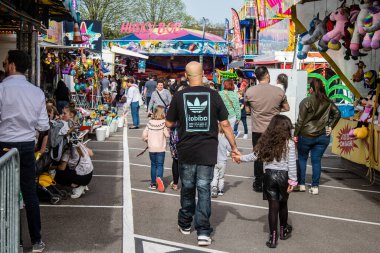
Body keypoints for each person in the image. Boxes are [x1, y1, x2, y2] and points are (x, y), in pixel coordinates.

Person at [166, 61, 239, 246]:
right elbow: (225, 124)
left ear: (186, 74)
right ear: (203, 74)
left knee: (188, 188)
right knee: (204, 189)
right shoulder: (213, 95)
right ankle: (203, 231)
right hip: (207, 150)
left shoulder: (179, 96)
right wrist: (234, 147)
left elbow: (168, 123)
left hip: (186, 150)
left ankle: (185, 223)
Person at [0, 50, 49, 252]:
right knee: (29, 193)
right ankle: (36, 241)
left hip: (4, 146)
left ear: (11, 65)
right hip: (27, 146)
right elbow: (44, 125)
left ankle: (15, 241)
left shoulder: (2, 89)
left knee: (7, 194)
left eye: (5, 62)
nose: (3, 65)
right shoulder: (36, 92)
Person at [233, 115, 297, 249]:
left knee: (272, 208)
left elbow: (254, 156)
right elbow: (292, 164)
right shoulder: (289, 143)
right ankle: (283, 230)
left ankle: (273, 238)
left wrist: (240, 158)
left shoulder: (266, 141)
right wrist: (293, 181)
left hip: (269, 176)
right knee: (283, 205)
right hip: (283, 176)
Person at [245, 66, 290, 193]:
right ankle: (275, 180)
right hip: (274, 128)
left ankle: (258, 182)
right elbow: (287, 108)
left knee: (257, 156)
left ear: (257, 77)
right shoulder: (279, 92)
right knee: (276, 154)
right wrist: (275, 109)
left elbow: (247, 110)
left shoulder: (249, 91)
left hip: (258, 128)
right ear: (267, 75)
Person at [294, 78, 341, 194]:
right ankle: (315, 187)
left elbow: (300, 121)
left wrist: (295, 134)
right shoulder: (328, 101)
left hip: (306, 134)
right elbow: (338, 113)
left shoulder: (306, 101)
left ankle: (301, 184)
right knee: (316, 161)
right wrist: (330, 126)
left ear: (311, 89)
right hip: (323, 136)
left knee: (302, 159)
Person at [142, 105, 169, 192]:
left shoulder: (150, 123)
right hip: (161, 148)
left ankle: (153, 183)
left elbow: (144, 135)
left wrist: (147, 140)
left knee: (153, 165)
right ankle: (159, 179)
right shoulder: (163, 123)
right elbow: (167, 135)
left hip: (152, 148)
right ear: (162, 113)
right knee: (160, 165)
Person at [211, 124, 231, 198]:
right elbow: (229, 148)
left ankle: (214, 187)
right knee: (221, 177)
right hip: (223, 161)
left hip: (215, 160)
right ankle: (220, 191)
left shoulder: (214, 137)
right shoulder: (225, 138)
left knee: (215, 176)